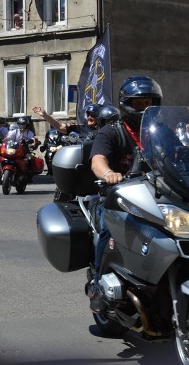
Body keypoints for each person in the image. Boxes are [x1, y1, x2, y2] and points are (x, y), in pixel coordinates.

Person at [88, 75, 162, 313]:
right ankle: (98, 286)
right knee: (109, 230)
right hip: (117, 197)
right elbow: (97, 159)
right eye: (138, 102)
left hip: (156, 195)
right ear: (126, 103)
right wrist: (108, 173)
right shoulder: (111, 131)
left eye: (148, 101)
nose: (144, 107)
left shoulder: (160, 131)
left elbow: (185, 154)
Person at [31, 103, 102, 135]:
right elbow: (60, 126)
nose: (89, 117)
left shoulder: (105, 131)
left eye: (92, 115)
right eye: (88, 115)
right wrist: (45, 115)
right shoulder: (82, 128)